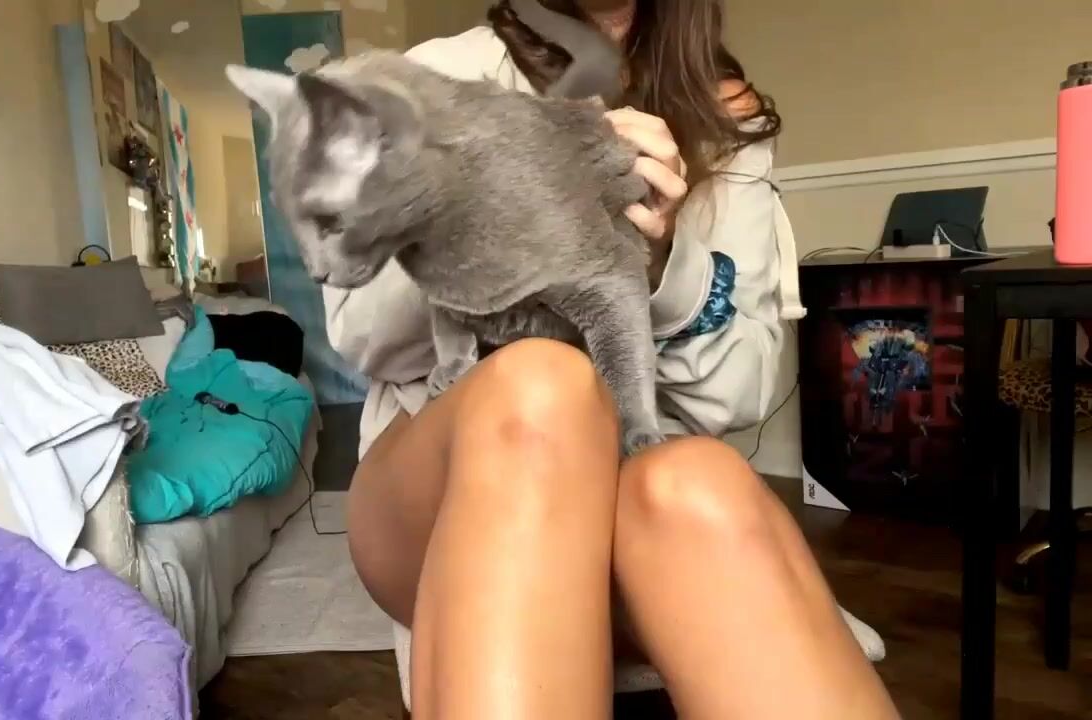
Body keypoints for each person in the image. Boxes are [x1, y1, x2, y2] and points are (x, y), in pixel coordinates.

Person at [324, 1, 900, 718]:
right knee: (542, 386)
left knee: (700, 482)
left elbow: (739, 391)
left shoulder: (726, 114)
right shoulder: (436, 74)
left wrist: (660, 256)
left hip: (643, 491)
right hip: (434, 487)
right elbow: (360, 335)